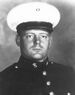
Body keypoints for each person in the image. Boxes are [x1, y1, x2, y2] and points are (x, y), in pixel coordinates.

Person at [0, 2, 75, 95]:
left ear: (50, 41)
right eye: (30, 36)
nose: (37, 42)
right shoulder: (4, 79)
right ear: (18, 40)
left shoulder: (68, 74)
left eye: (43, 36)